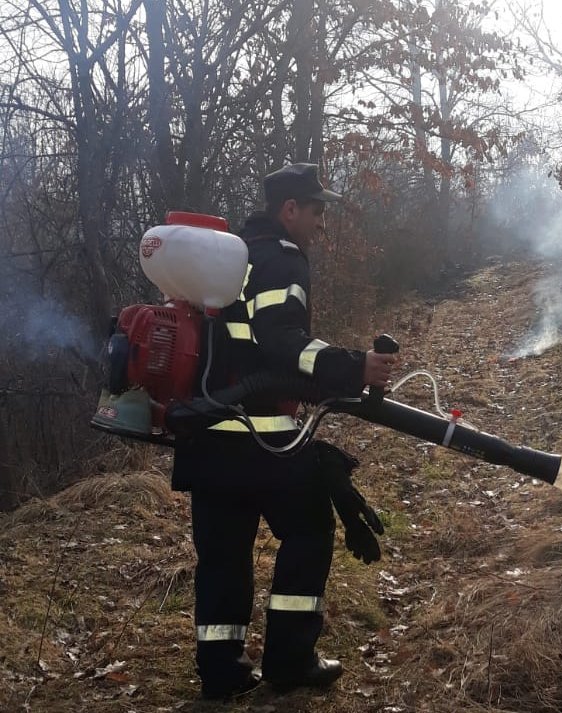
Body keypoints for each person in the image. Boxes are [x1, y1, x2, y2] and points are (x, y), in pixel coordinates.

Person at [171, 163, 395, 699]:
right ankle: (290, 663)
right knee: (310, 532)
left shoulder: (230, 258)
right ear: (289, 209)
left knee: (223, 556)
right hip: (263, 438)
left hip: (207, 439)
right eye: (317, 211)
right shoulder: (283, 257)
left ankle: (222, 675)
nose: (321, 224)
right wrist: (352, 366)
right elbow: (280, 340)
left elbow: (245, 344)